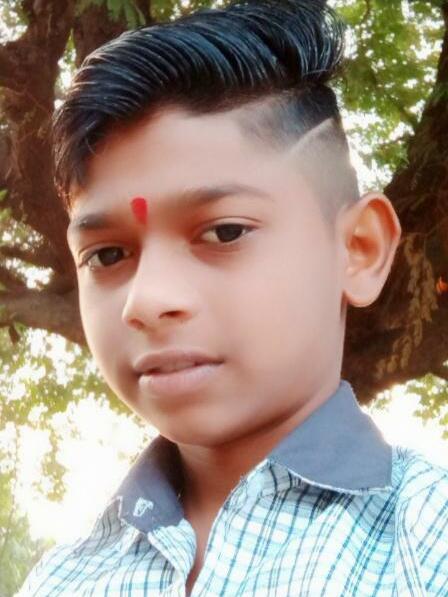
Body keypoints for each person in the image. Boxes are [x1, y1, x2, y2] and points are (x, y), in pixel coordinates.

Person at [18, 1, 448, 595]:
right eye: (108, 255)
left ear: (359, 249)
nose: (146, 301)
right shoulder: (62, 579)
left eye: (224, 232)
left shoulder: (426, 546)